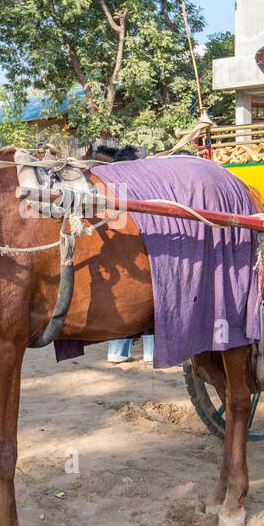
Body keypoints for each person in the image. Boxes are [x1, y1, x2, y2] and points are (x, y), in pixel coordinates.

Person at [104, 145, 155, 365]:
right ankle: (151, 351)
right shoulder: (140, 186)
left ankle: (118, 351)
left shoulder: (111, 187)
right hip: (139, 248)